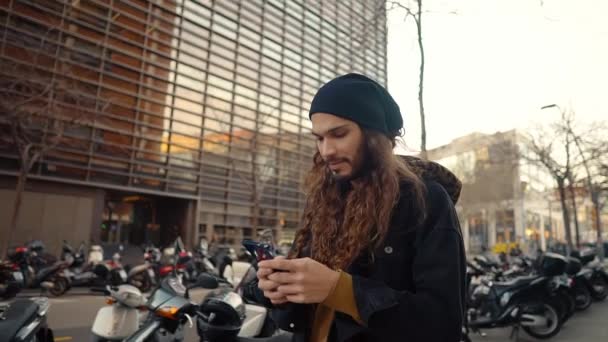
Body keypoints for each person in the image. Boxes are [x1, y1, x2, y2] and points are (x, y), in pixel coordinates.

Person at [250, 73, 466, 341]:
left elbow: (442, 323)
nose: (326, 150)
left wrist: (341, 290)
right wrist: (281, 290)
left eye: (338, 134)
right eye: (319, 138)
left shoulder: (427, 201)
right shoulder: (323, 201)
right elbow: (309, 309)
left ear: (376, 136)